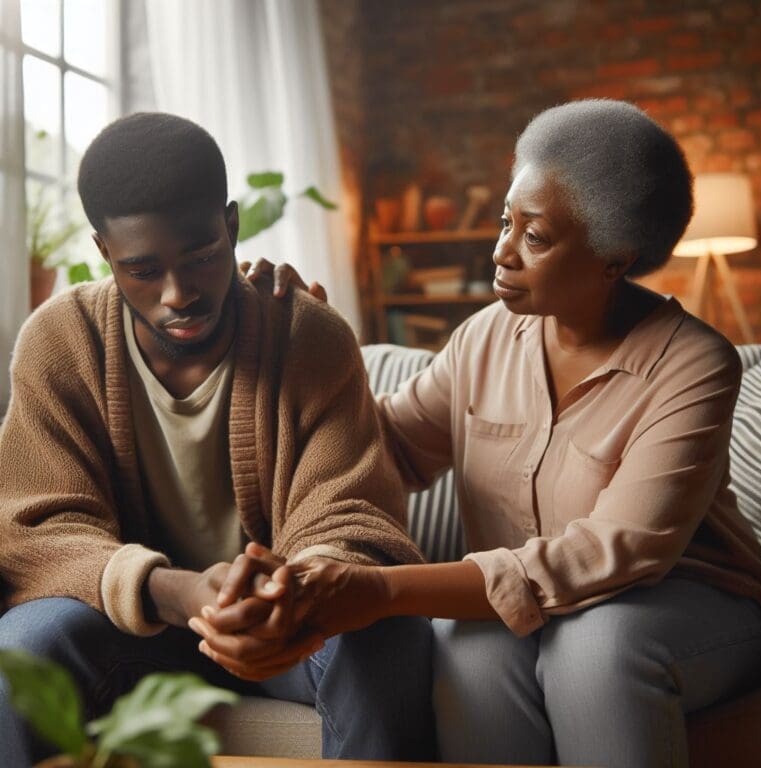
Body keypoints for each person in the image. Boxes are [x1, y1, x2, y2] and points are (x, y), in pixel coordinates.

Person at [216, 99, 761, 767]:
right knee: (468, 648)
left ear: (613, 259)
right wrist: (310, 348)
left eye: (535, 237)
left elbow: (616, 553)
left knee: (598, 647)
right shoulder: (484, 337)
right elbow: (381, 448)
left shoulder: (693, 364)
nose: (501, 251)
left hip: (689, 604)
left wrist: (383, 591)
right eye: (507, 221)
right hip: (533, 607)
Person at [0, 112, 436, 765]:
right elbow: (36, 530)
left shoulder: (308, 336)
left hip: (283, 631)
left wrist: (291, 592)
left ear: (231, 225)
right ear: (102, 252)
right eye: (142, 269)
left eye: (202, 257)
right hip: (128, 628)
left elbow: (354, 514)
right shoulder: (60, 342)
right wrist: (174, 591)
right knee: (24, 649)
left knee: (387, 632)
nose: (178, 294)